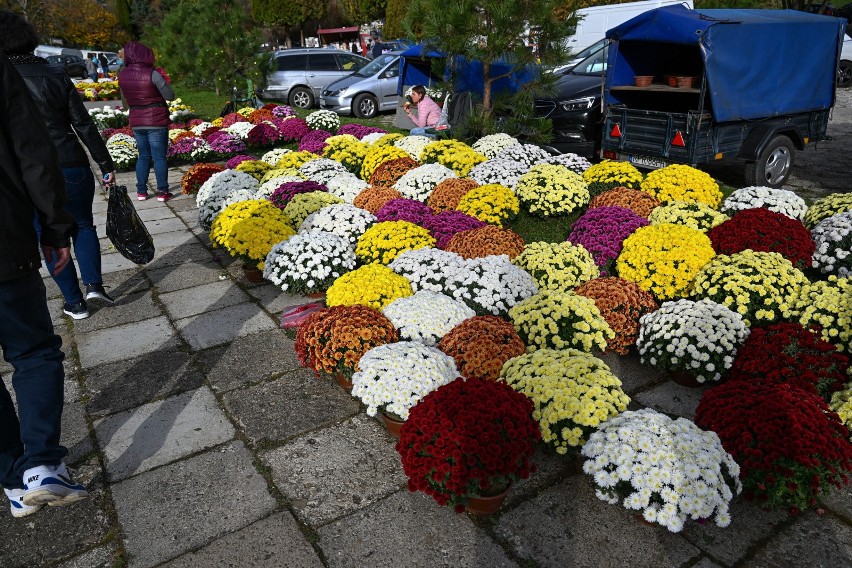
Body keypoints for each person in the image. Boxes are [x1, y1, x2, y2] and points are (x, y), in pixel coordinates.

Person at [0, 48, 89, 519]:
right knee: (32, 351)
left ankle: (15, 479)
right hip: (4, 242)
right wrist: (55, 228)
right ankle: (40, 466)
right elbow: (33, 151)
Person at [0, 10, 117, 320]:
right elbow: (83, 123)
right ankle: (94, 286)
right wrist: (104, 163)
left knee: (48, 234)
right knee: (83, 224)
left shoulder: (6, 81)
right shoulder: (55, 73)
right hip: (71, 163)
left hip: (30, 173)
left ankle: (74, 301)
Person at [118, 41, 174, 202]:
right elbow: (169, 95)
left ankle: (141, 191)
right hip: (155, 119)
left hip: (137, 119)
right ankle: (162, 191)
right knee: (159, 157)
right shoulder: (152, 73)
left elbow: (126, 100)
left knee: (143, 157)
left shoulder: (123, 75)